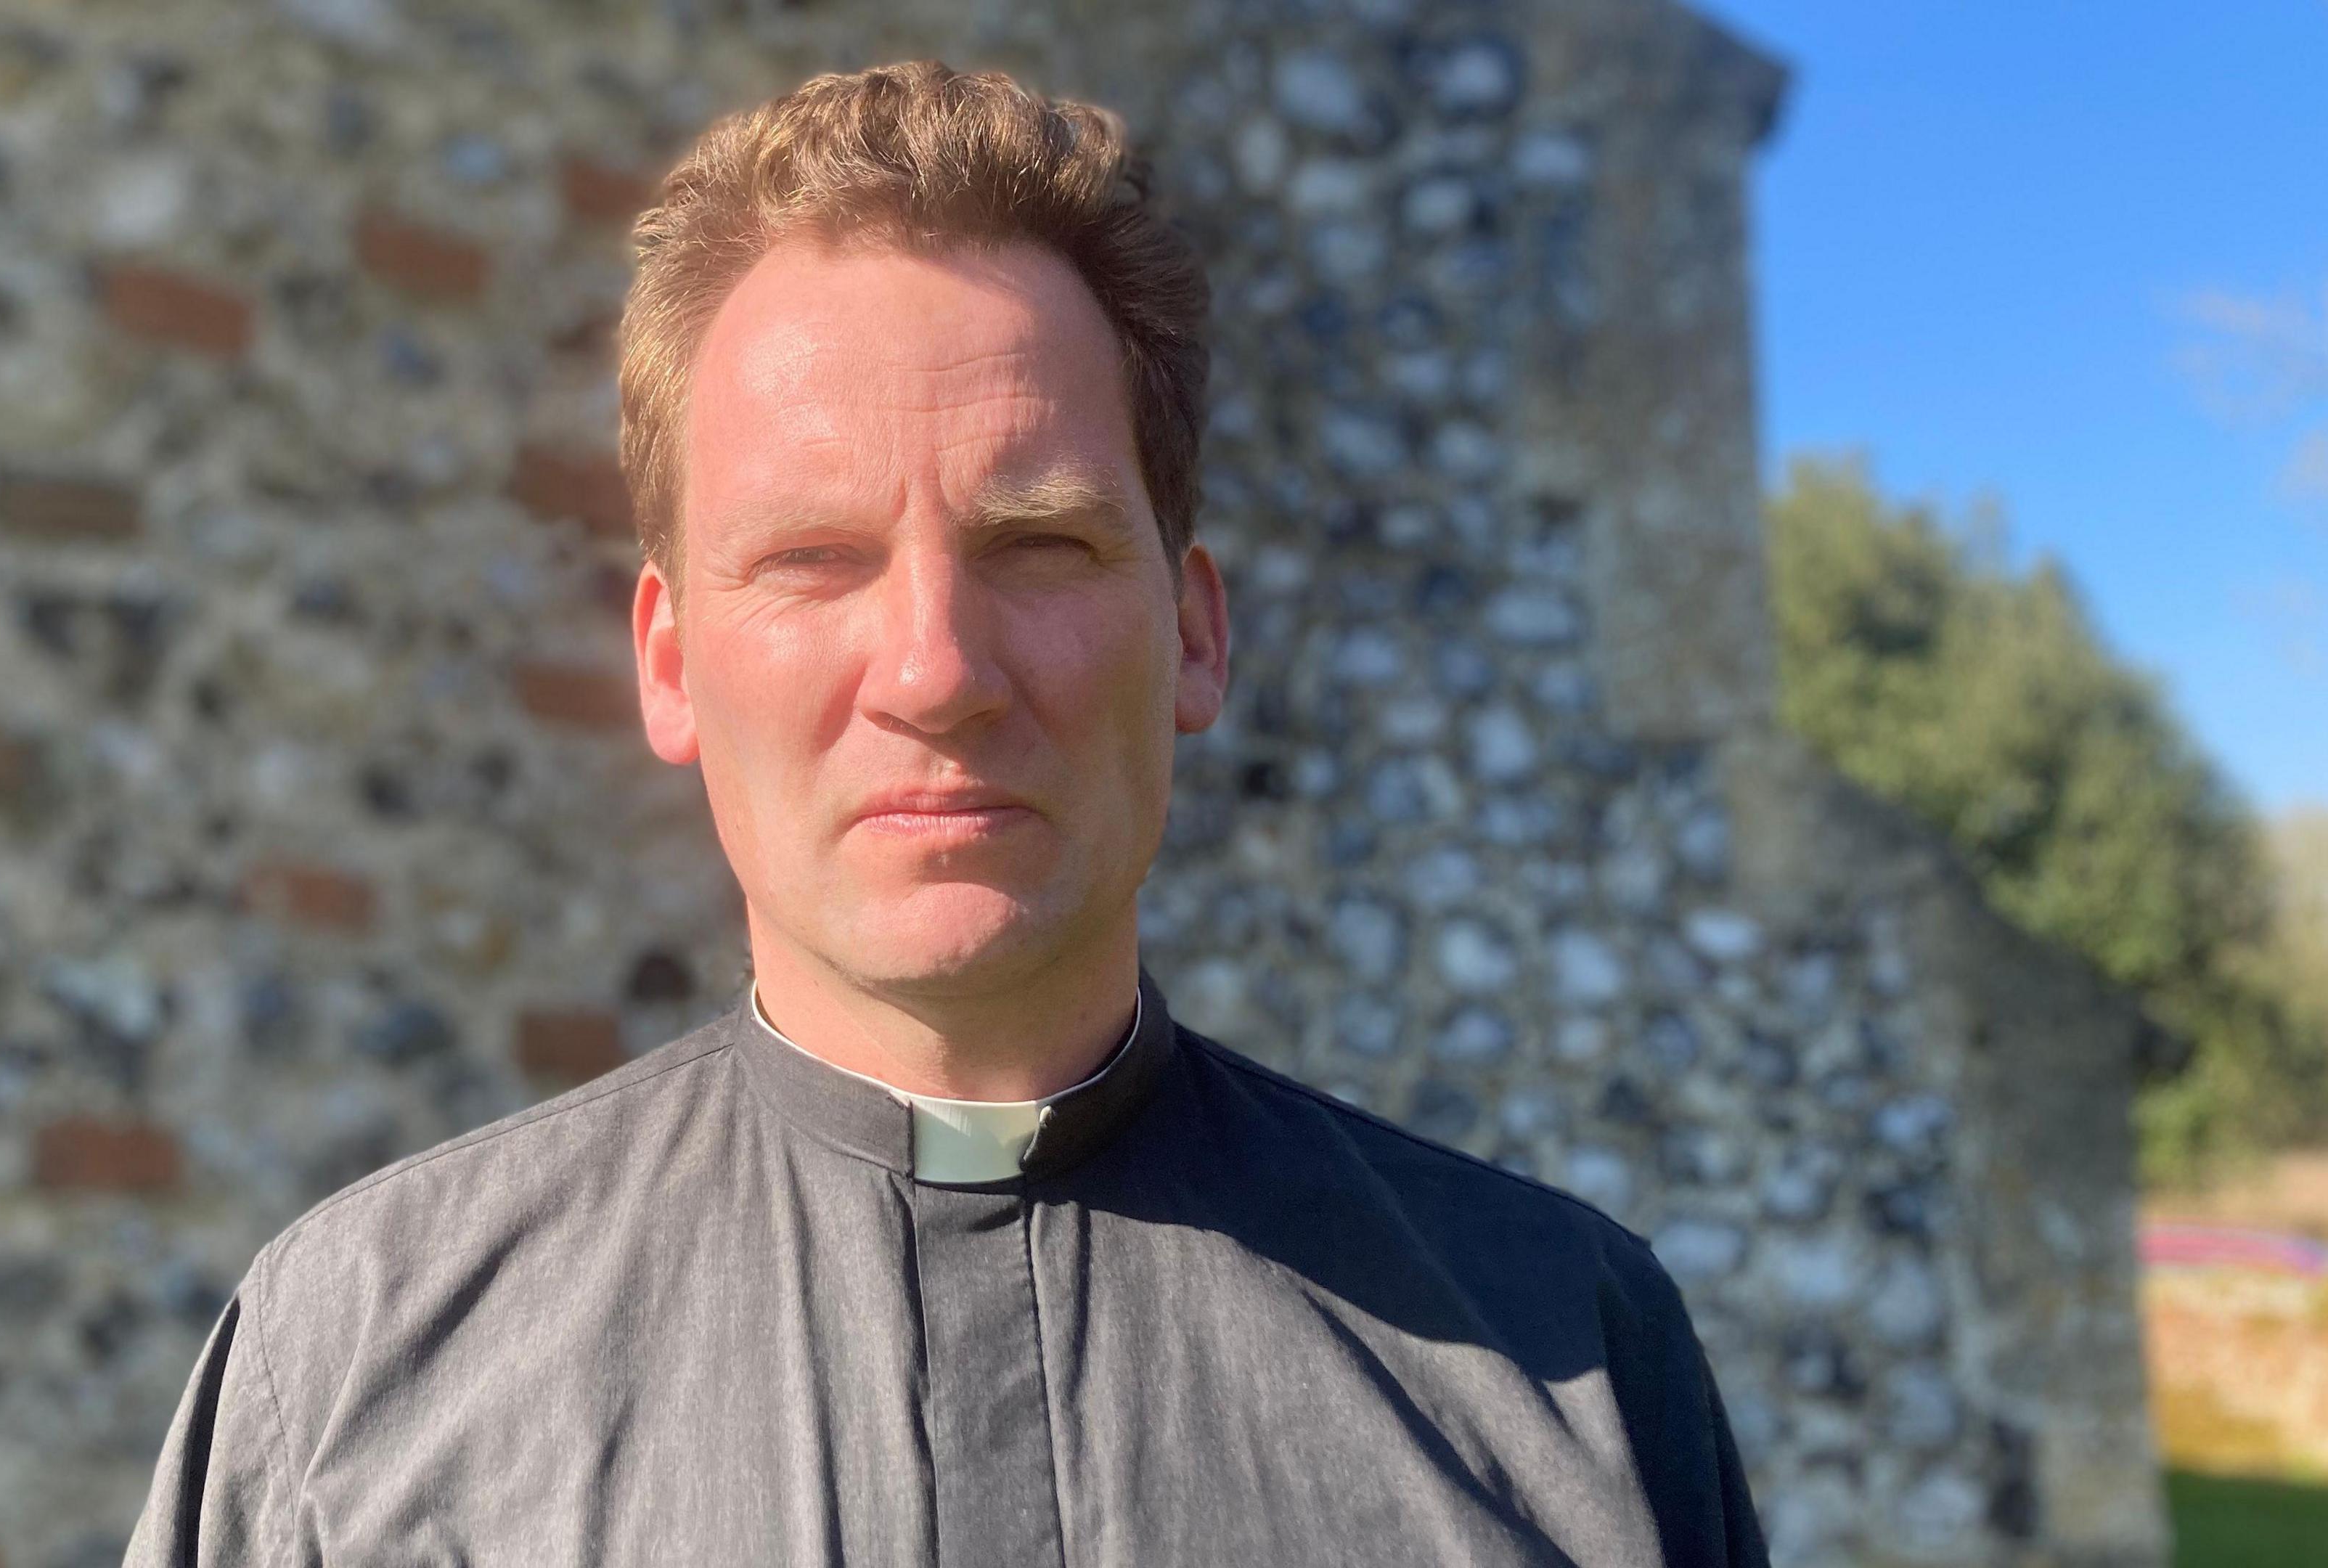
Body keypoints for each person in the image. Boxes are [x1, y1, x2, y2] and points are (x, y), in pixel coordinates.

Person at [123, 60, 1769, 1567]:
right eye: (814, 561)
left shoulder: (1578, 1360)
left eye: (1040, 547)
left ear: (1195, 635)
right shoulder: (340, 1378)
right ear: (674, 661)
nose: (935, 669)